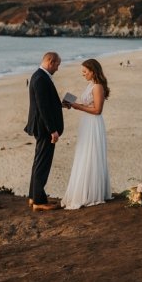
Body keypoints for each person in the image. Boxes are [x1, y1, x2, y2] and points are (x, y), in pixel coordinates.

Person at [62, 58, 112, 210]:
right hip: (86, 123)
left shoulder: (97, 87)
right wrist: (71, 104)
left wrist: (77, 106)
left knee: (91, 154)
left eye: (85, 71)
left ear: (93, 71)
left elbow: (97, 110)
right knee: (84, 154)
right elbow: (89, 105)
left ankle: (90, 193)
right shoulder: (90, 85)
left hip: (93, 123)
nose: (82, 74)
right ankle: (87, 190)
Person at [25, 52, 64, 211]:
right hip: (44, 128)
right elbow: (42, 107)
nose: (57, 68)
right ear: (50, 61)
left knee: (38, 162)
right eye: (57, 65)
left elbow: (46, 102)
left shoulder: (38, 75)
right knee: (42, 164)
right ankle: (39, 202)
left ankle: (33, 196)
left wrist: (60, 104)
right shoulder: (41, 78)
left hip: (41, 126)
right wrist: (53, 130)